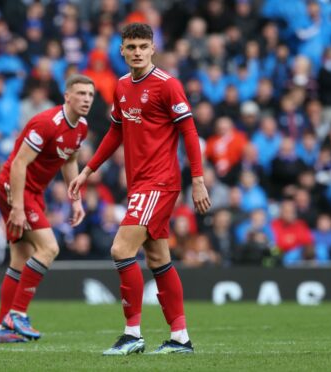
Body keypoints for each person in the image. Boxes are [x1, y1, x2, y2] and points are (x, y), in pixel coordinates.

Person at [69, 23, 211, 355]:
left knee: (121, 250)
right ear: (121, 50)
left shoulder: (167, 85)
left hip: (159, 182)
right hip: (140, 184)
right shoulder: (120, 86)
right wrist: (88, 170)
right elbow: (115, 133)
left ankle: (132, 334)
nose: (136, 52)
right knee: (159, 258)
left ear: (152, 49)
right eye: (131, 46)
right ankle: (180, 339)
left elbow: (189, 132)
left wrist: (199, 179)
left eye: (142, 46)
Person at [0, 74, 92, 343]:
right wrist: (18, 207)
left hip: (34, 192)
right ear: (67, 96)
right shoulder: (46, 123)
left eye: (90, 95)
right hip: (14, 188)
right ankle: (17, 314)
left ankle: (4, 328)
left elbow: (69, 161)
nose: (86, 99)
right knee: (49, 248)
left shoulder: (81, 127)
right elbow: (18, 165)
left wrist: (76, 199)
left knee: (20, 258)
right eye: (81, 94)